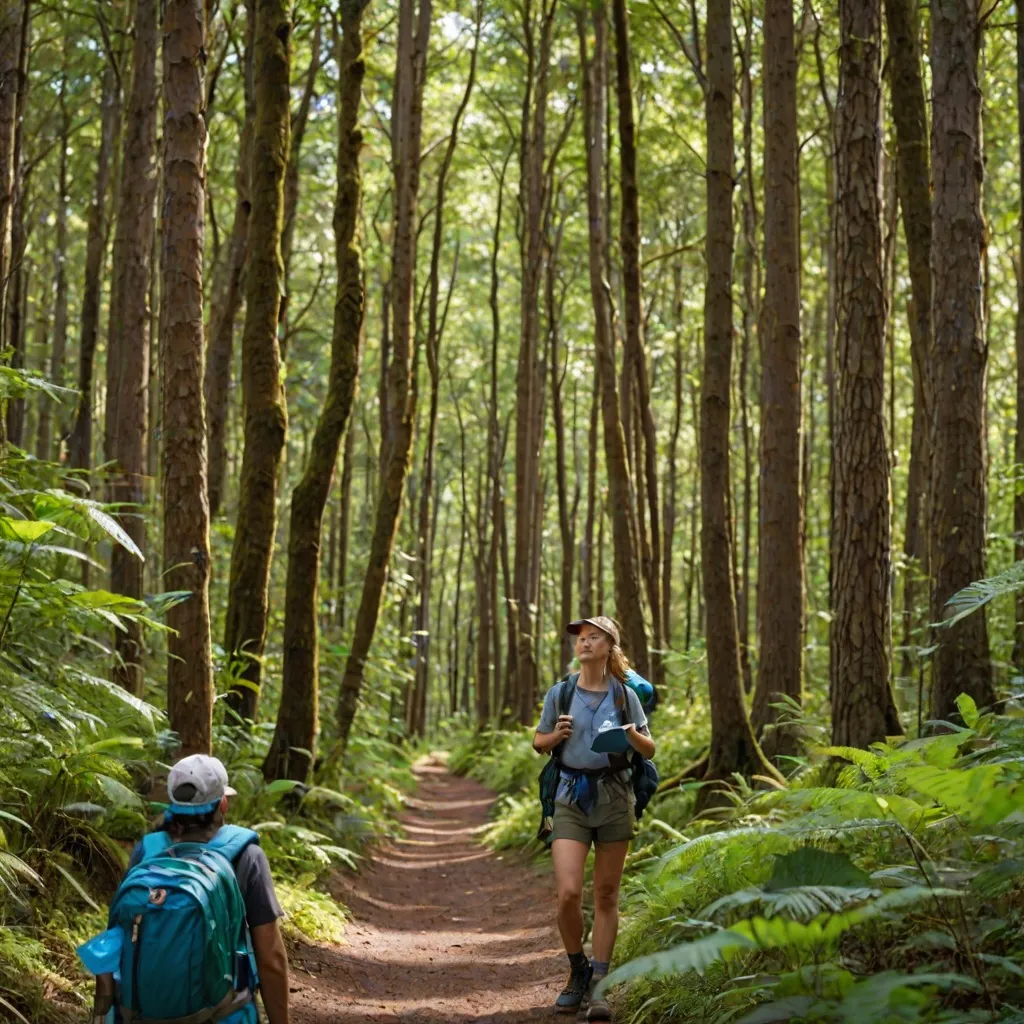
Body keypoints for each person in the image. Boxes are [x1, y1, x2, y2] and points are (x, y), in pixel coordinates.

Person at [89, 754, 290, 1024]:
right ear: (223, 803)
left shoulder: (148, 851)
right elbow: (271, 958)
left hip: (143, 1015)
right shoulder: (246, 855)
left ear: (173, 805)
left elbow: (119, 938)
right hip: (222, 1015)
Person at [534, 616, 656, 1021]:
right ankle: (577, 970)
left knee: (606, 894)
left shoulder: (624, 695)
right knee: (568, 893)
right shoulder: (561, 693)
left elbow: (649, 749)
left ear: (609, 647)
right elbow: (539, 742)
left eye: (594, 637)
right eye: (581, 638)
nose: (584, 643)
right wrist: (556, 736)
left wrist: (631, 734)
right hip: (569, 797)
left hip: (615, 798)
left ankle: (600, 983)